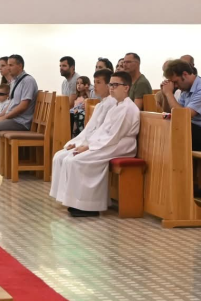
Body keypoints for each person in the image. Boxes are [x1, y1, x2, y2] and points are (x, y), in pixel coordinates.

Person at [49, 70, 141, 217]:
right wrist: (86, 144)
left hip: (120, 146)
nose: (111, 88)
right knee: (73, 157)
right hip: (109, 144)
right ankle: (76, 202)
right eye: (111, 84)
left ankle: (89, 206)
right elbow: (99, 131)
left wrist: (90, 146)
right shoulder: (118, 106)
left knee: (78, 160)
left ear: (126, 87)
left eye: (115, 85)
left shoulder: (128, 108)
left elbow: (114, 136)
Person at [0, 54, 39, 167]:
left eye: (11, 65)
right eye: (8, 65)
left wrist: (4, 118)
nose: (8, 68)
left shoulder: (28, 81)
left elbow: (23, 106)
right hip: (13, 118)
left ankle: (0, 162)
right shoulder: (14, 81)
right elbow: (11, 104)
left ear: (20, 66)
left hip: (21, 121)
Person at [160, 59, 201, 153]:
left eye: (176, 82)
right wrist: (165, 95)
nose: (176, 86)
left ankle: (178, 167)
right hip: (195, 130)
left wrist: (169, 93)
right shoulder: (186, 90)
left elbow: (183, 116)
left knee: (175, 130)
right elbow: (172, 112)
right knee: (166, 125)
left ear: (185, 74)